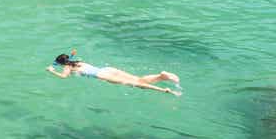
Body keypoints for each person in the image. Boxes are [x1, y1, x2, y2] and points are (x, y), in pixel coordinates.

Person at [46, 50, 181, 96]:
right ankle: (161, 76)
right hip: (107, 69)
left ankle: (165, 90)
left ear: (62, 64)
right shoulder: (78, 62)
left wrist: (52, 71)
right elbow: (69, 60)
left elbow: (64, 77)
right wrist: (71, 54)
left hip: (103, 75)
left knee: (136, 84)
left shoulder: (67, 68)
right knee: (138, 79)